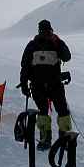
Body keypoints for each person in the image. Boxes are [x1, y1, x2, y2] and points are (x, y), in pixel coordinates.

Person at [20, 19, 72, 151]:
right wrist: (58, 42)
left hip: (40, 85)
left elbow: (25, 67)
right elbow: (67, 56)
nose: (45, 33)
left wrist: (24, 84)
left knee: (45, 112)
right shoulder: (55, 42)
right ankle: (63, 140)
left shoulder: (32, 45)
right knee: (62, 112)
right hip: (52, 84)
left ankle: (46, 141)